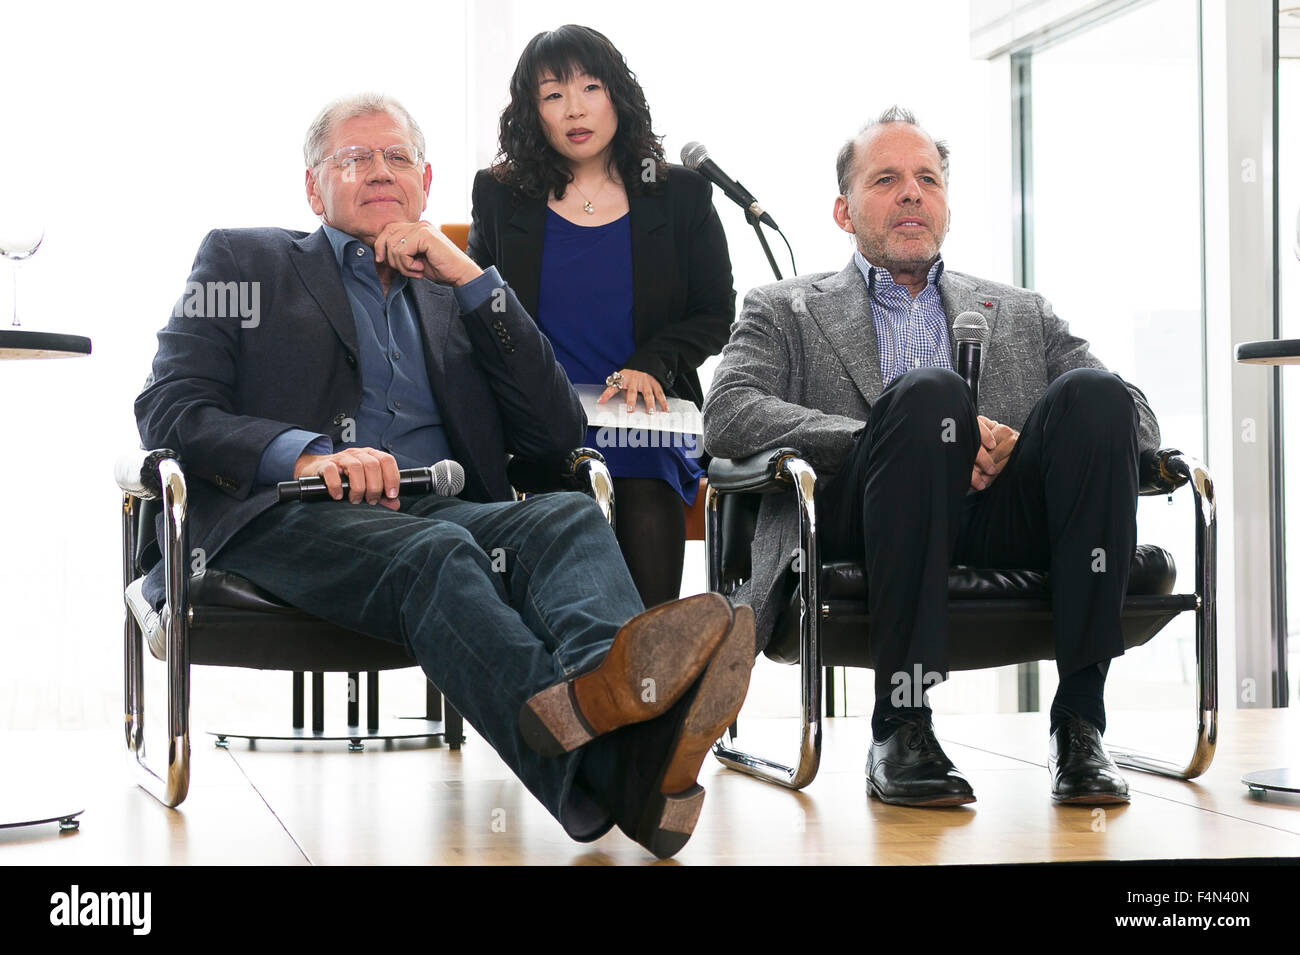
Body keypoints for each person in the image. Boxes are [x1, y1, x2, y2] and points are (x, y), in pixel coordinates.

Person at [135, 92, 754, 859]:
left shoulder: (455, 288)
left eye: (397, 158)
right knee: (437, 556)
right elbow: (169, 407)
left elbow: (558, 431)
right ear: (312, 186)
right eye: (355, 158)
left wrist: (470, 276)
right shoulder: (243, 259)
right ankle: (611, 770)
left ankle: (618, 716)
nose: (379, 172)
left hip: (442, 509)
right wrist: (306, 453)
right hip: (286, 514)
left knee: (564, 516)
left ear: (426, 180)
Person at [702, 106, 1159, 808]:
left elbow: (1140, 420)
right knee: (930, 398)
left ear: (945, 204)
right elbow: (729, 414)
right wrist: (880, 434)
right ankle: (902, 729)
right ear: (843, 210)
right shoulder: (783, 308)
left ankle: (1081, 725)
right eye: (886, 179)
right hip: (863, 509)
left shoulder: (1021, 311)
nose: (912, 192)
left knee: (1097, 396)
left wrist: (1012, 438)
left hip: (997, 515)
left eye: (927, 179)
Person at [468, 24, 736, 608]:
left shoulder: (679, 194)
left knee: (640, 485)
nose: (575, 110)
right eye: (553, 95)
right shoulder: (500, 196)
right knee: (563, 501)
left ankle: (648, 675)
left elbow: (715, 312)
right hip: (537, 420)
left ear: (617, 93)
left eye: (590, 88)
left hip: (642, 412)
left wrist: (651, 365)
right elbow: (472, 314)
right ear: (531, 112)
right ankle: (575, 681)